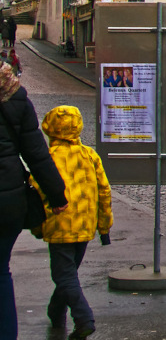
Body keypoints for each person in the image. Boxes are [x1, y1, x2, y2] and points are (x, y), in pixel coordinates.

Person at [0, 61, 66, 340]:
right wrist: (57, 195)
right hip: (8, 201)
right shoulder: (13, 94)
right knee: (1, 272)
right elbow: (37, 153)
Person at [35, 105, 111, 340]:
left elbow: (37, 193)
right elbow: (104, 191)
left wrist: (37, 227)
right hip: (85, 225)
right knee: (68, 273)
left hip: (59, 225)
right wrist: (104, 227)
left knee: (64, 275)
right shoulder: (89, 155)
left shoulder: (47, 159)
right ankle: (55, 311)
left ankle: (83, 318)